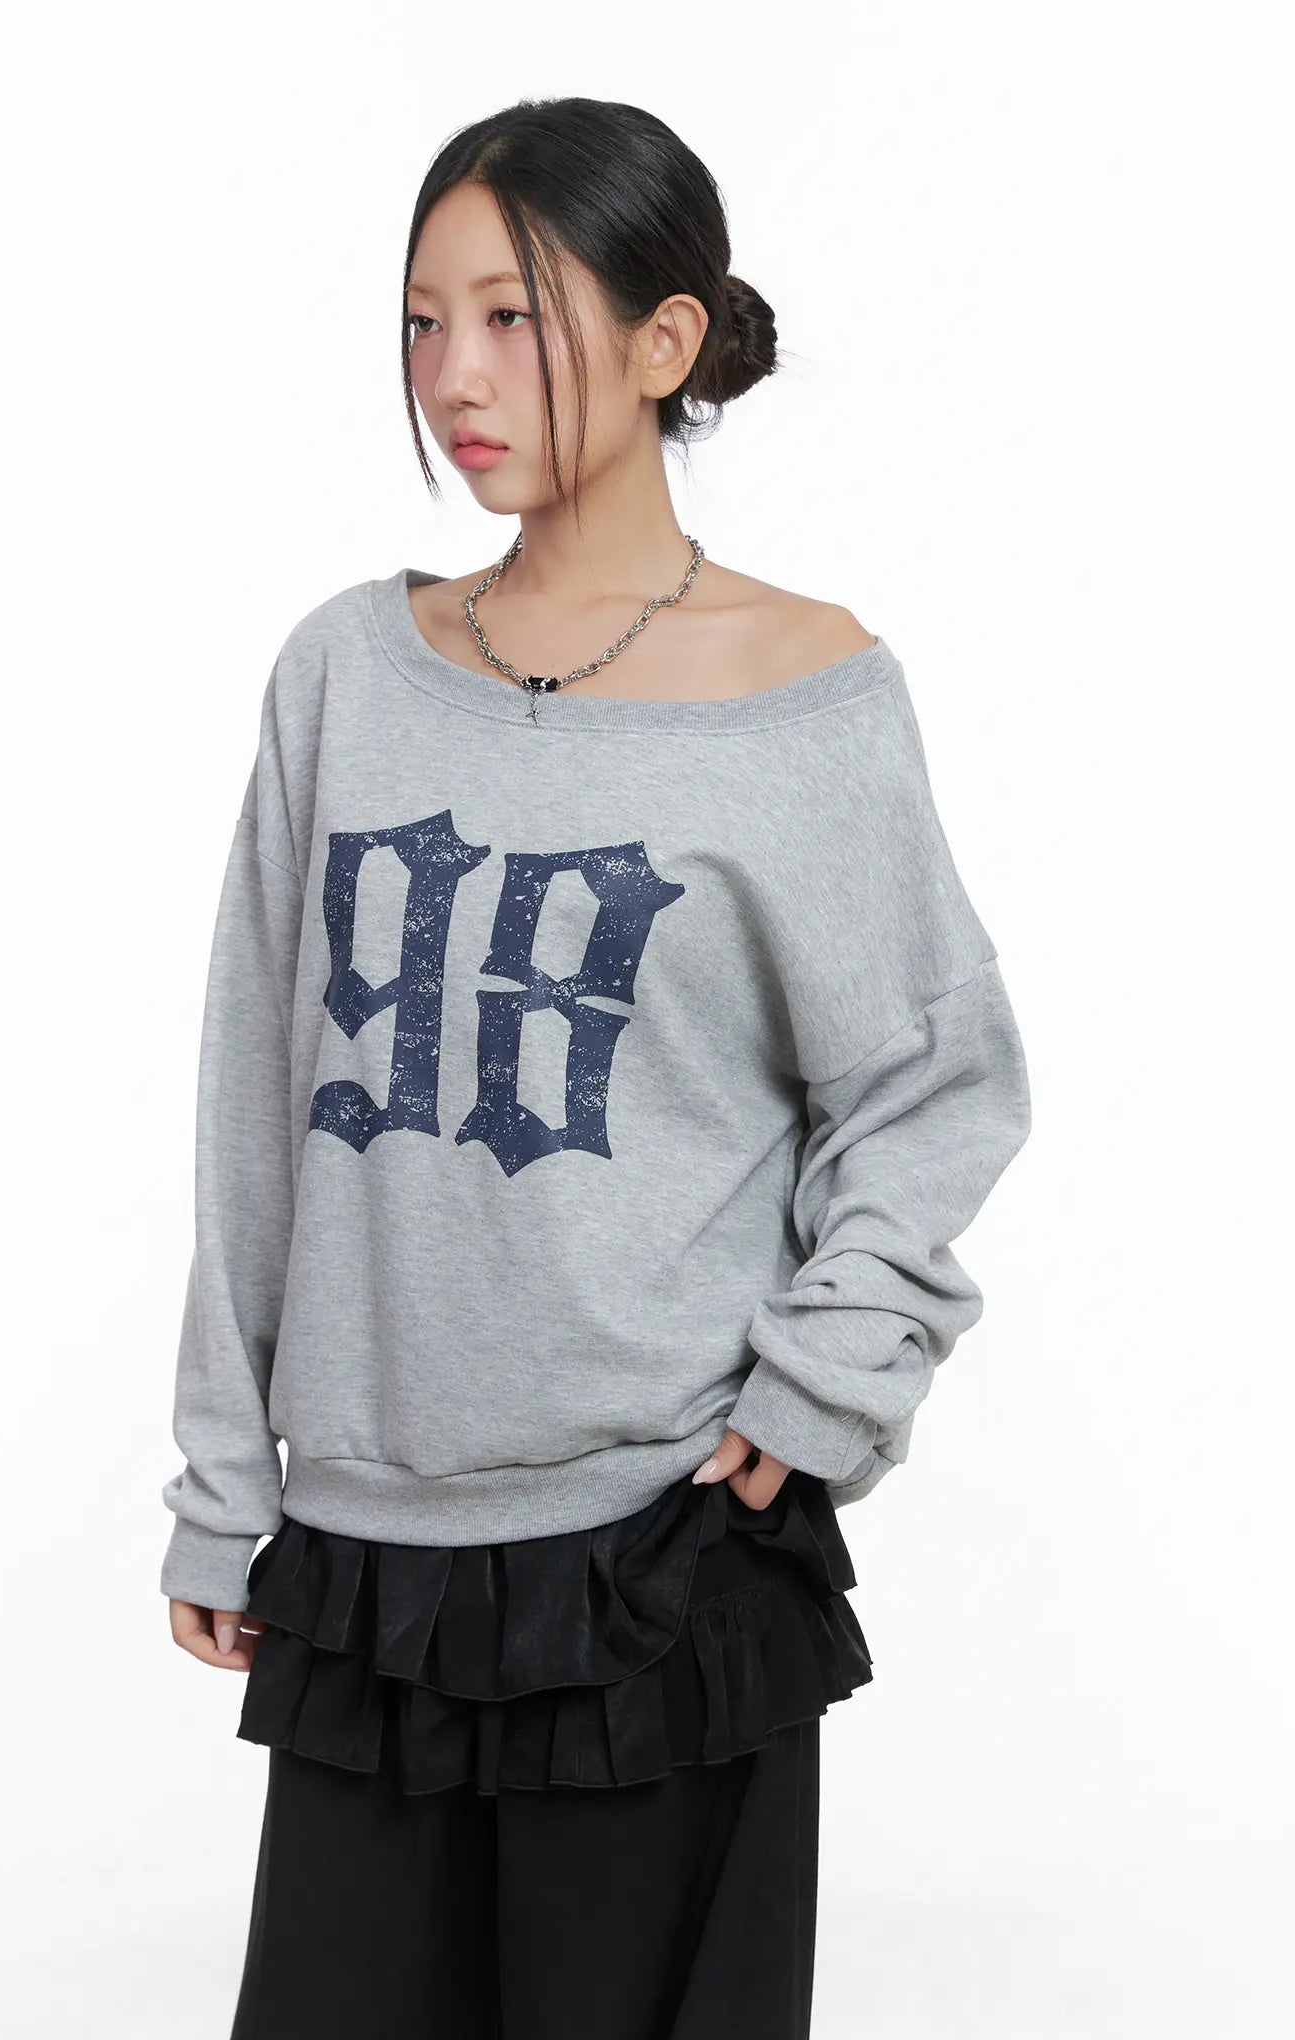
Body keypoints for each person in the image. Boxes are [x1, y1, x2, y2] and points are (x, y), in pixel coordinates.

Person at [158, 94, 1031, 2040]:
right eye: (422, 321)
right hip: (367, 1568)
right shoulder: (342, 674)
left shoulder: (802, 695)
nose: (453, 376)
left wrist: (833, 1373)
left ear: (666, 341)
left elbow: (936, 1081)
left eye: (513, 318)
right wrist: (226, 1479)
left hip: (665, 1563)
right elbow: (253, 1103)